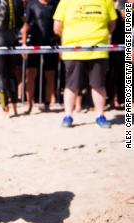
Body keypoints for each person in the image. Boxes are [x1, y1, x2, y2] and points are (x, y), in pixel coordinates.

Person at [53, 0, 117, 128]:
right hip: (73, 50)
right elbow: (57, 27)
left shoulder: (106, 1)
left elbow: (112, 24)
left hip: (98, 50)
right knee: (72, 85)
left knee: (98, 84)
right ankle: (68, 116)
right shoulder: (66, 1)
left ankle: (100, 115)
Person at [21, 0, 58, 114]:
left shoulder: (55, 4)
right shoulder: (32, 4)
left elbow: (59, 24)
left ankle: (47, 104)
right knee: (30, 74)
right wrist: (24, 44)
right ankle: (30, 105)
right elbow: (26, 25)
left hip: (51, 43)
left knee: (50, 74)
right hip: (34, 43)